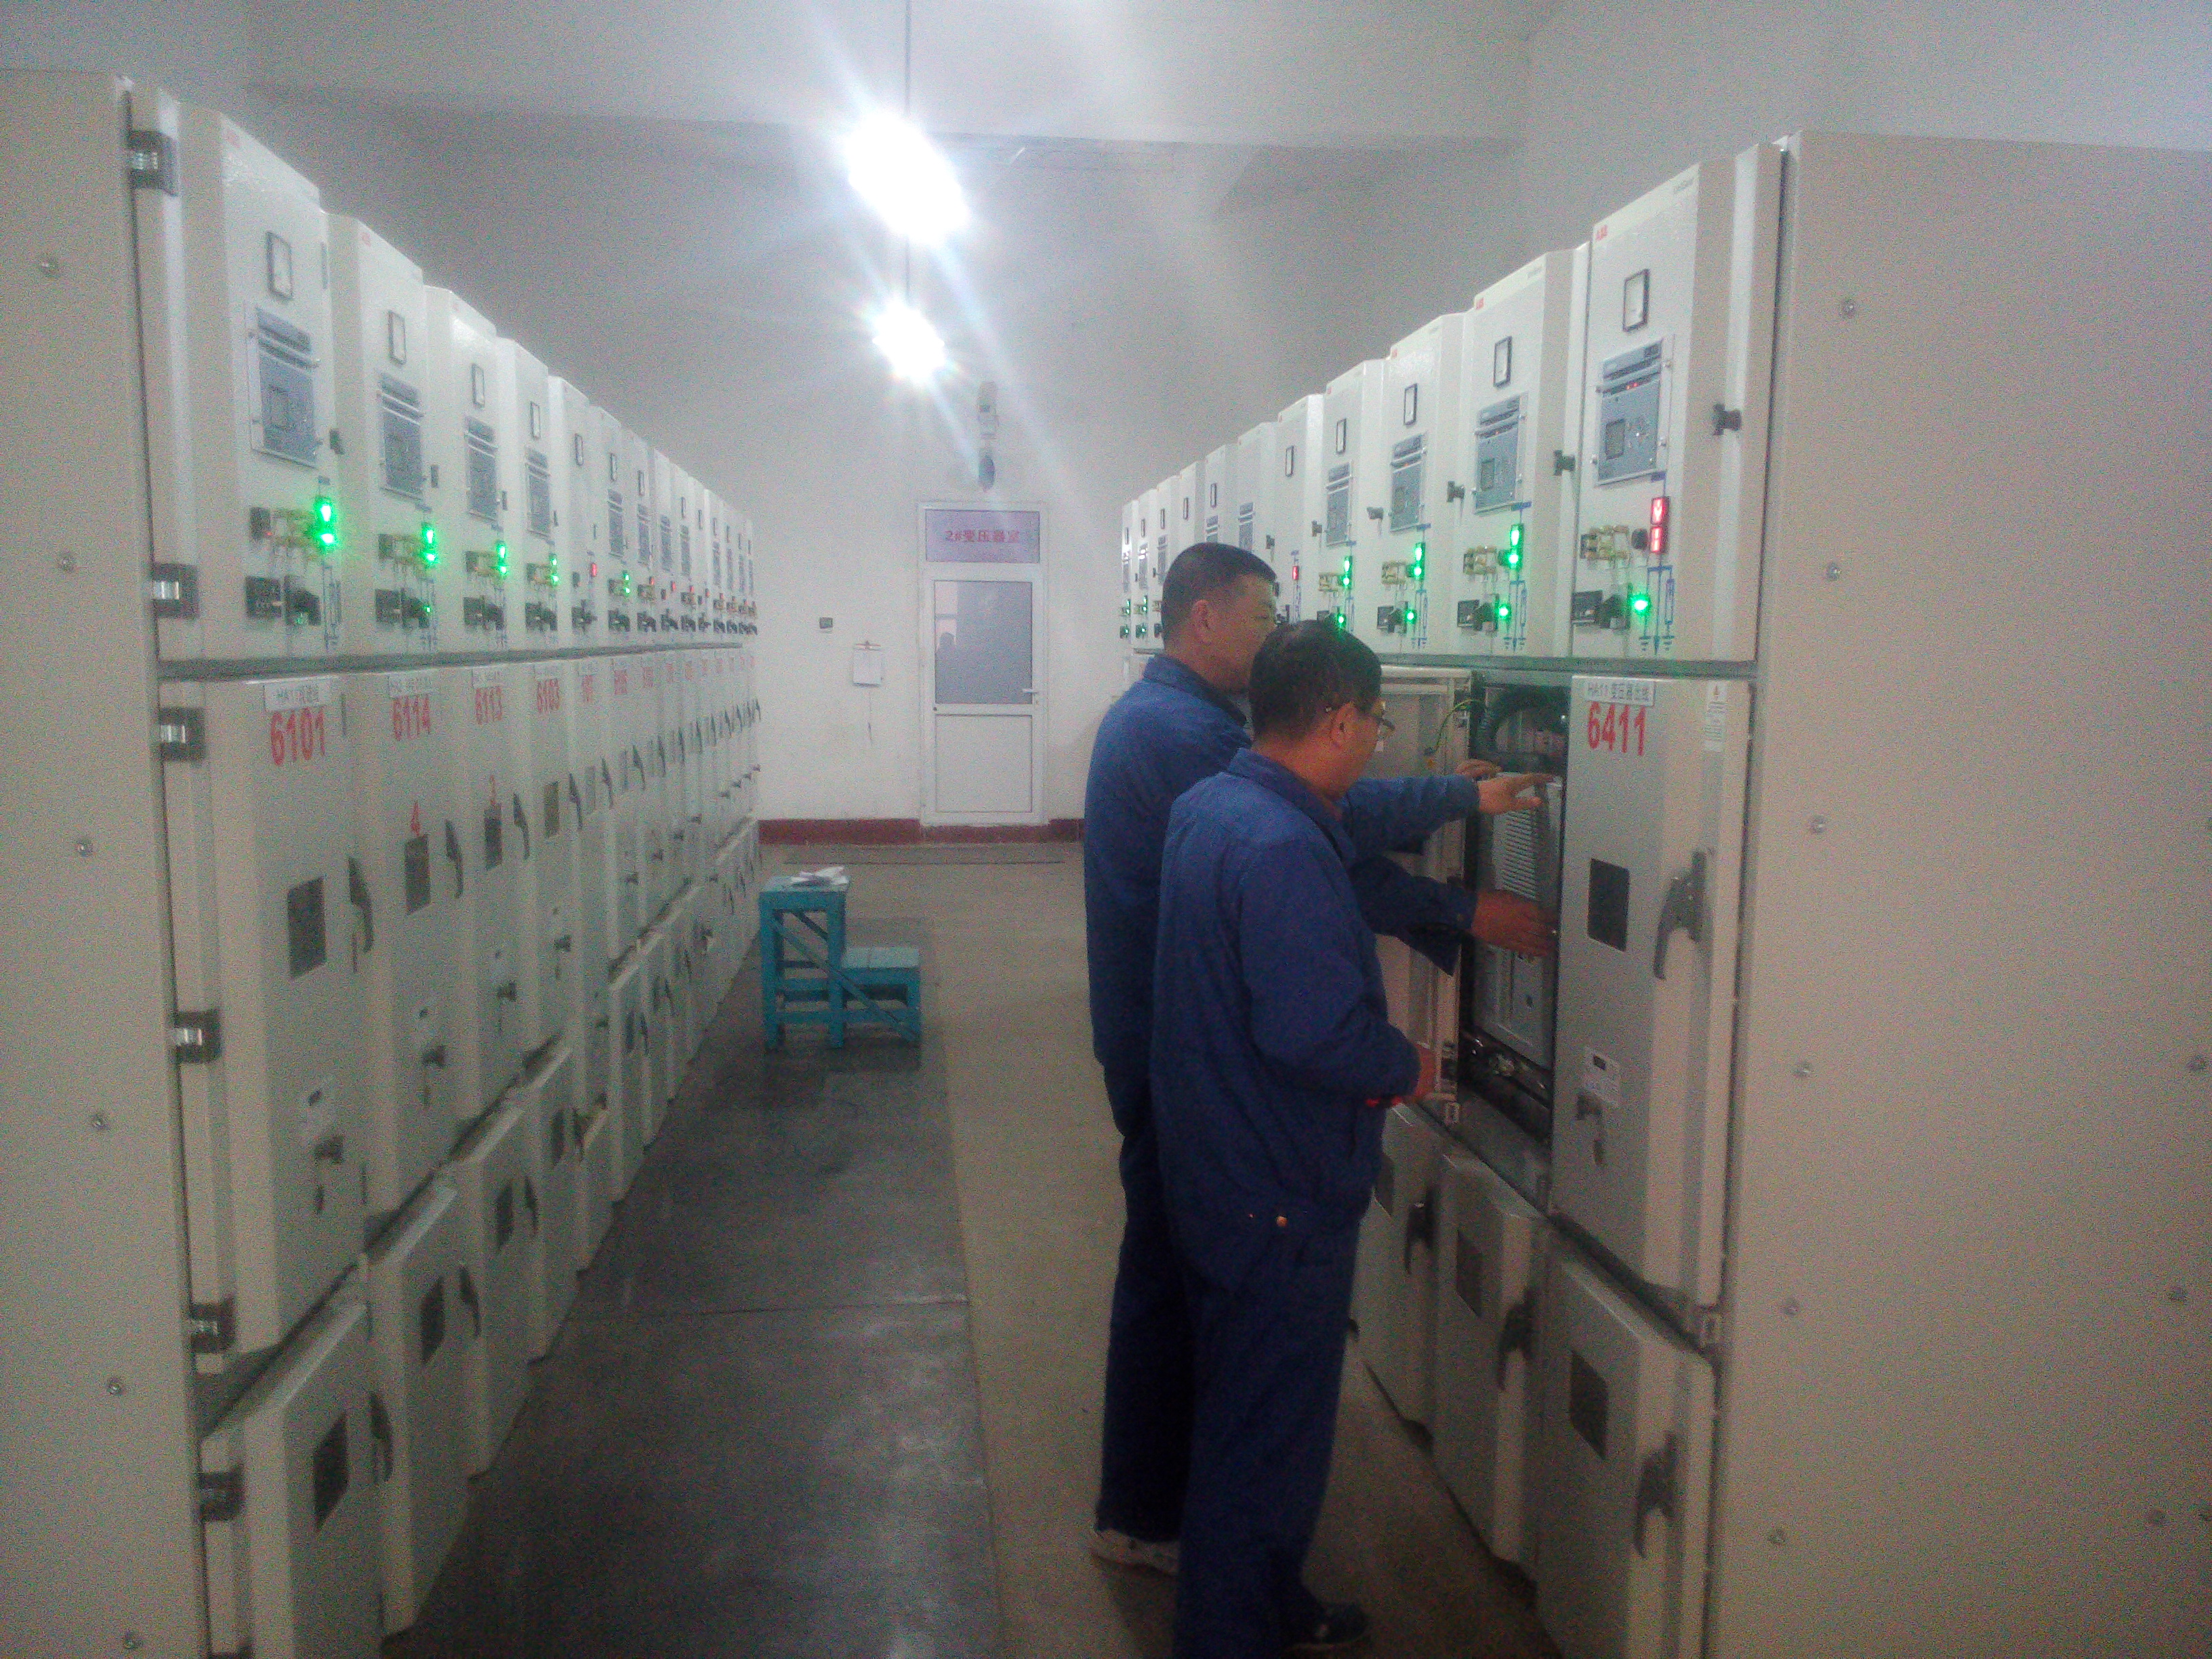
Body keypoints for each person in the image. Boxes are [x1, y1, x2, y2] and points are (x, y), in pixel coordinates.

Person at [1082, 544, 1552, 1579]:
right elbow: (1320, 836)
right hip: (1204, 1083)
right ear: (1204, 618)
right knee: (1206, 1328)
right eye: (1261, 617)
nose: (1270, 638)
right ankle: (1173, 1538)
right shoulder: (1190, 744)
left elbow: (1314, 813)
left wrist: (1448, 801)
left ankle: (1163, 1521)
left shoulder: (1174, 731)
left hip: (1178, 1051)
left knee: (1176, 1292)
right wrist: (1459, 894)